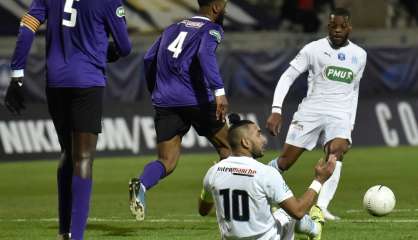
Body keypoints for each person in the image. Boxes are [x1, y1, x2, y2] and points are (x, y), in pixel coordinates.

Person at [4, 0, 131, 239]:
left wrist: (17, 74)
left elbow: (27, 26)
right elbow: (124, 46)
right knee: (83, 158)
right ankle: (77, 236)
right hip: (87, 82)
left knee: (67, 153)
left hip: (56, 83)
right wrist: (107, 51)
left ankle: (64, 231)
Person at [129, 0, 230, 221]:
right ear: (215, 7)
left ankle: (142, 185)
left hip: (165, 101)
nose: (225, 9)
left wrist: (155, 89)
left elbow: (148, 59)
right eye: (224, 5)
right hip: (197, 100)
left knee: (167, 161)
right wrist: (219, 91)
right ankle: (215, 196)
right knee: (229, 148)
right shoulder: (212, 28)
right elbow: (205, 54)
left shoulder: (172, 28)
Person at [266, 8, 367, 220]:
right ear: (327, 27)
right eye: (333, 26)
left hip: (340, 114)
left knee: (337, 151)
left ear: (349, 27)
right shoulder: (313, 49)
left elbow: (354, 90)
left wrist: (351, 121)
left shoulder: (360, 55)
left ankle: (319, 208)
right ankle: (258, 192)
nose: (337, 30)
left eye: (342, 26)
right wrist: (276, 110)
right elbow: (288, 76)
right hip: (311, 111)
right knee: (285, 162)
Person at [198, 114, 336, 240]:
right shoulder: (266, 173)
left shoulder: (213, 172)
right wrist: (319, 180)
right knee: (288, 213)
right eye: (258, 135)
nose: (263, 140)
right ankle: (315, 228)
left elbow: (203, 210)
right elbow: (298, 211)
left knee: (276, 211)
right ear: (245, 142)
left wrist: (211, 185)